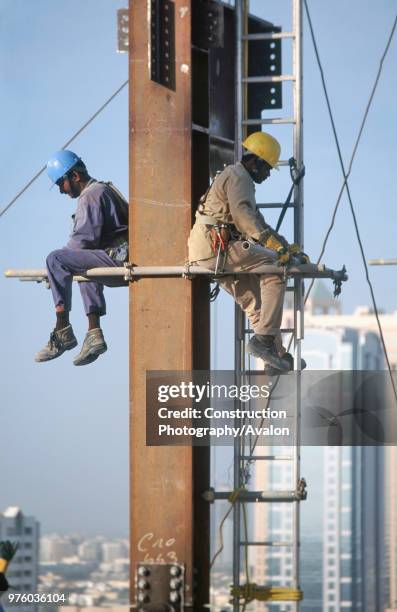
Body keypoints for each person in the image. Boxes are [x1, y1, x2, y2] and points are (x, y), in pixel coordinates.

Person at [188, 131, 308, 373]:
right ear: (255, 161)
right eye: (266, 169)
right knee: (275, 267)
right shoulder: (238, 176)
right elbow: (244, 219)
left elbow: (258, 223)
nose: (266, 175)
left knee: (257, 304)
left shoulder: (237, 178)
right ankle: (263, 343)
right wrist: (279, 253)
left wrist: (285, 246)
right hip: (216, 249)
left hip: (212, 252)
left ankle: (274, 357)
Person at [35, 150, 128, 366]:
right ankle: (94, 332)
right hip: (120, 254)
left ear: (75, 176)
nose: (61, 190)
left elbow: (82, 240)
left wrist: (55, 270)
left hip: (120, 258)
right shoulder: (104, 189)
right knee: (82, 263)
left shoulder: (91, 195)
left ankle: (62, 330)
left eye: (61, 183)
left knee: (55, 259)